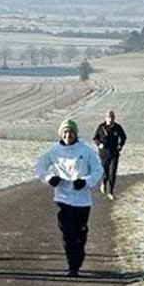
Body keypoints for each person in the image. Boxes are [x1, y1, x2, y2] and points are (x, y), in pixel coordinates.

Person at [33, 117, 104, 277]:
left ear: (75, 133)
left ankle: (78, 258)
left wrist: (85, 182)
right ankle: (72, 267)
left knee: (79, 233)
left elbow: (98, 170)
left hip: (82, 200)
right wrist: (50, 178)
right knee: (68, 233)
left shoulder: (85, 150)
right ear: (61, 134)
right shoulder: (53, 151)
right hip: (63, 198)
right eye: (65, 132)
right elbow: (40, 167)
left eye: (70, 132)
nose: (67, 135)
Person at [93, 110, 127, 198]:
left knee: (112, 173)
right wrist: (99, 144)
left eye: (112, 117)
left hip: (114, 153)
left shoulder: (117, 127)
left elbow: (123, 137)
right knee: (105, 172)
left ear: (114, 118)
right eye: (108, 117)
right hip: (104, 154)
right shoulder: (101, 127)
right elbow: (95, 138)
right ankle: (103, 182)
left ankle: (111, 192)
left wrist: (120, 145)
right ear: (106, 118)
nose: (110, 118)